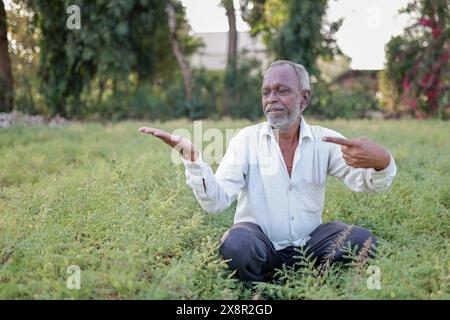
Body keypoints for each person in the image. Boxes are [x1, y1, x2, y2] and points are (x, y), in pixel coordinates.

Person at [139, 60, 397, 282]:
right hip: (261, 244)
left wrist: (382, 161)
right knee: (236, 245)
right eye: (266, 92)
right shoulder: (246, 140)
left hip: (310, 244)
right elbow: (217, 202)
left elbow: (367, 183)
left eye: (282, 90)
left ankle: (312, 280)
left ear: (304, 97)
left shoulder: (326, 140)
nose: (272, 99)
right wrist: (192, 158)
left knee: (364, 241)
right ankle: (261, 291)